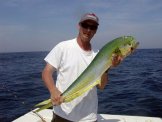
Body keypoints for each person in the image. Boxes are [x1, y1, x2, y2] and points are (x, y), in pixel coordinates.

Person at [42, 13, 121, 122]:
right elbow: (47, 72)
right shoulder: (63, 47)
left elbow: (102, 86)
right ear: (79, 26)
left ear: (96, 30)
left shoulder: (97, 55)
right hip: (62, 114)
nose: (88, 30)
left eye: (92, 27)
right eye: (85, 25)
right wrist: (53, 90)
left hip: (88, 118)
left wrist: (107, 67)